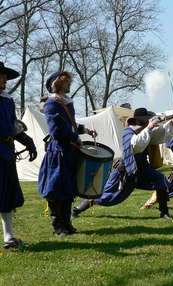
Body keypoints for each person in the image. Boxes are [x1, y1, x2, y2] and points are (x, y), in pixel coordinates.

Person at [71, 108, 173, 220]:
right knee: (105, 196)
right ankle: (76, 210)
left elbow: (158, 134)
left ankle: (164, 212)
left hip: (141, 170)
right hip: (126, 171)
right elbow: (137, 146)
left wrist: (171, 122)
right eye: (144, 120)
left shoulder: (144, 131)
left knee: (160, 179)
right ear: (138, 121)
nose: (147, 122)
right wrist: (148, 128)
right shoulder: (129, 132)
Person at [38, 71, 97, 237]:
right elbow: (56, 131)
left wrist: (84, 130)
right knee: (57, 189)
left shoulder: (66, 102)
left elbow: (70, 124)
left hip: (68, 151)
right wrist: (75, 138)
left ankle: (67, 224)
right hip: (58, 151)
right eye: (66, 82)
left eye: (69, 81)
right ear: (57, 84)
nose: (69, 84)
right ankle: (58, 226)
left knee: (69, 188)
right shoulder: (51, 103)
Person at [1, 61, 37, 248]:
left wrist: (27, 141)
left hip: (7, 152)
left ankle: (8, 238)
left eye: (6, 75)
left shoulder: (7, 100)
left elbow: (12, 126)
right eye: (2, 75)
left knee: (7, 195)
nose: (5, 78)